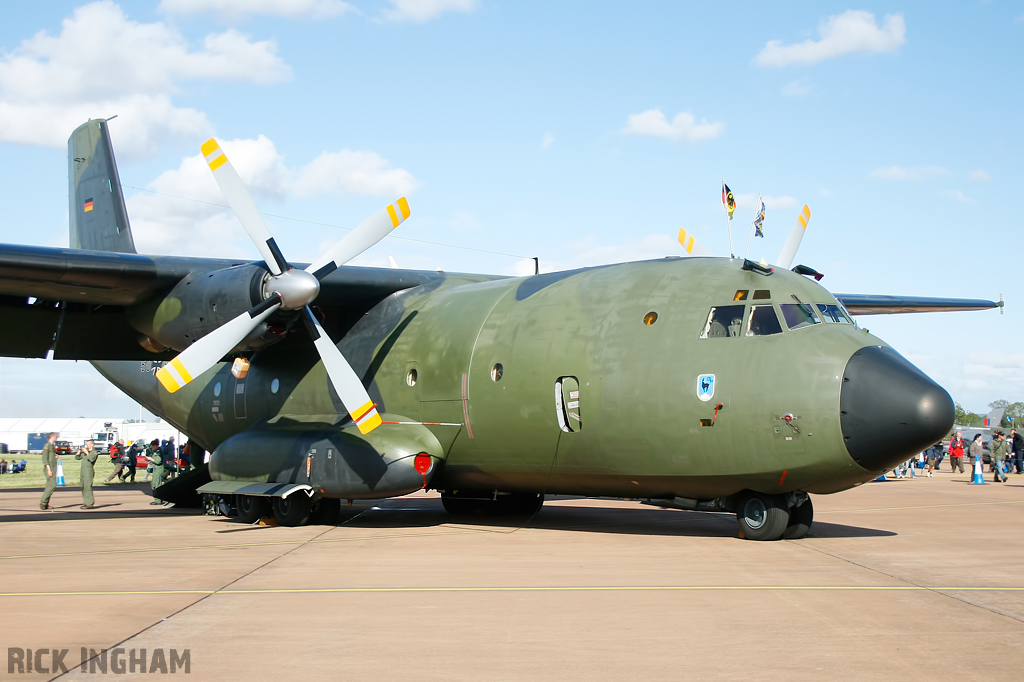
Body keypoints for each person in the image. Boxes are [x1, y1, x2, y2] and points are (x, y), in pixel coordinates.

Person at [74, 439, 99, 509]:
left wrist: (87, 453)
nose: (87, 445)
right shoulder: (85, 453)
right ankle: (86, 501)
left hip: (88, 470)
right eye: (86, 444)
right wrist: (79, 451)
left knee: (88, 486)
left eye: (88, 444)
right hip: (83, 471)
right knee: (83, 486)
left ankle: (90, 503)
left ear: (92, 444)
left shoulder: (94, 452)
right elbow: (77, 457)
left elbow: (91, 459)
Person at [39, 432, 58, 510]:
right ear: (52, 437)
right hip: (49, 468)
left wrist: (55, 456)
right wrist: (48, 469)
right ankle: (43, 502)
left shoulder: (51, 446)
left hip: (53, 468)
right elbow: (44, 458)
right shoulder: (47, 446)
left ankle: (46, 503)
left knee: (50, 486)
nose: (56, 438)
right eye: (56, 437)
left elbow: (50, 456)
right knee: (52, 485)